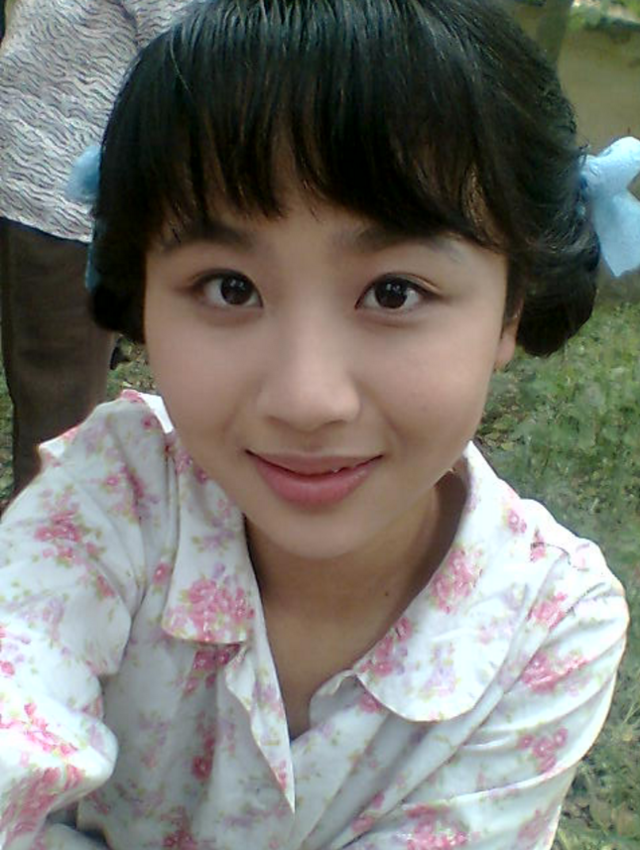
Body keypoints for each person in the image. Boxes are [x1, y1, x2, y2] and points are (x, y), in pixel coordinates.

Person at [0, 1, 636, 847]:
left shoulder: (549, 627)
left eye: (394, 292)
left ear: (512, 308)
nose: (306, 399)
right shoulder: (108, 494)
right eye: (230, 287)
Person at [0, 0, 191, 495]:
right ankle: (46, 528)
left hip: (49, 192)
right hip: (47, 189)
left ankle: (47, 526)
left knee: (51, 405)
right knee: (55, 415)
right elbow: (191, 61)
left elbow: (190, 60)